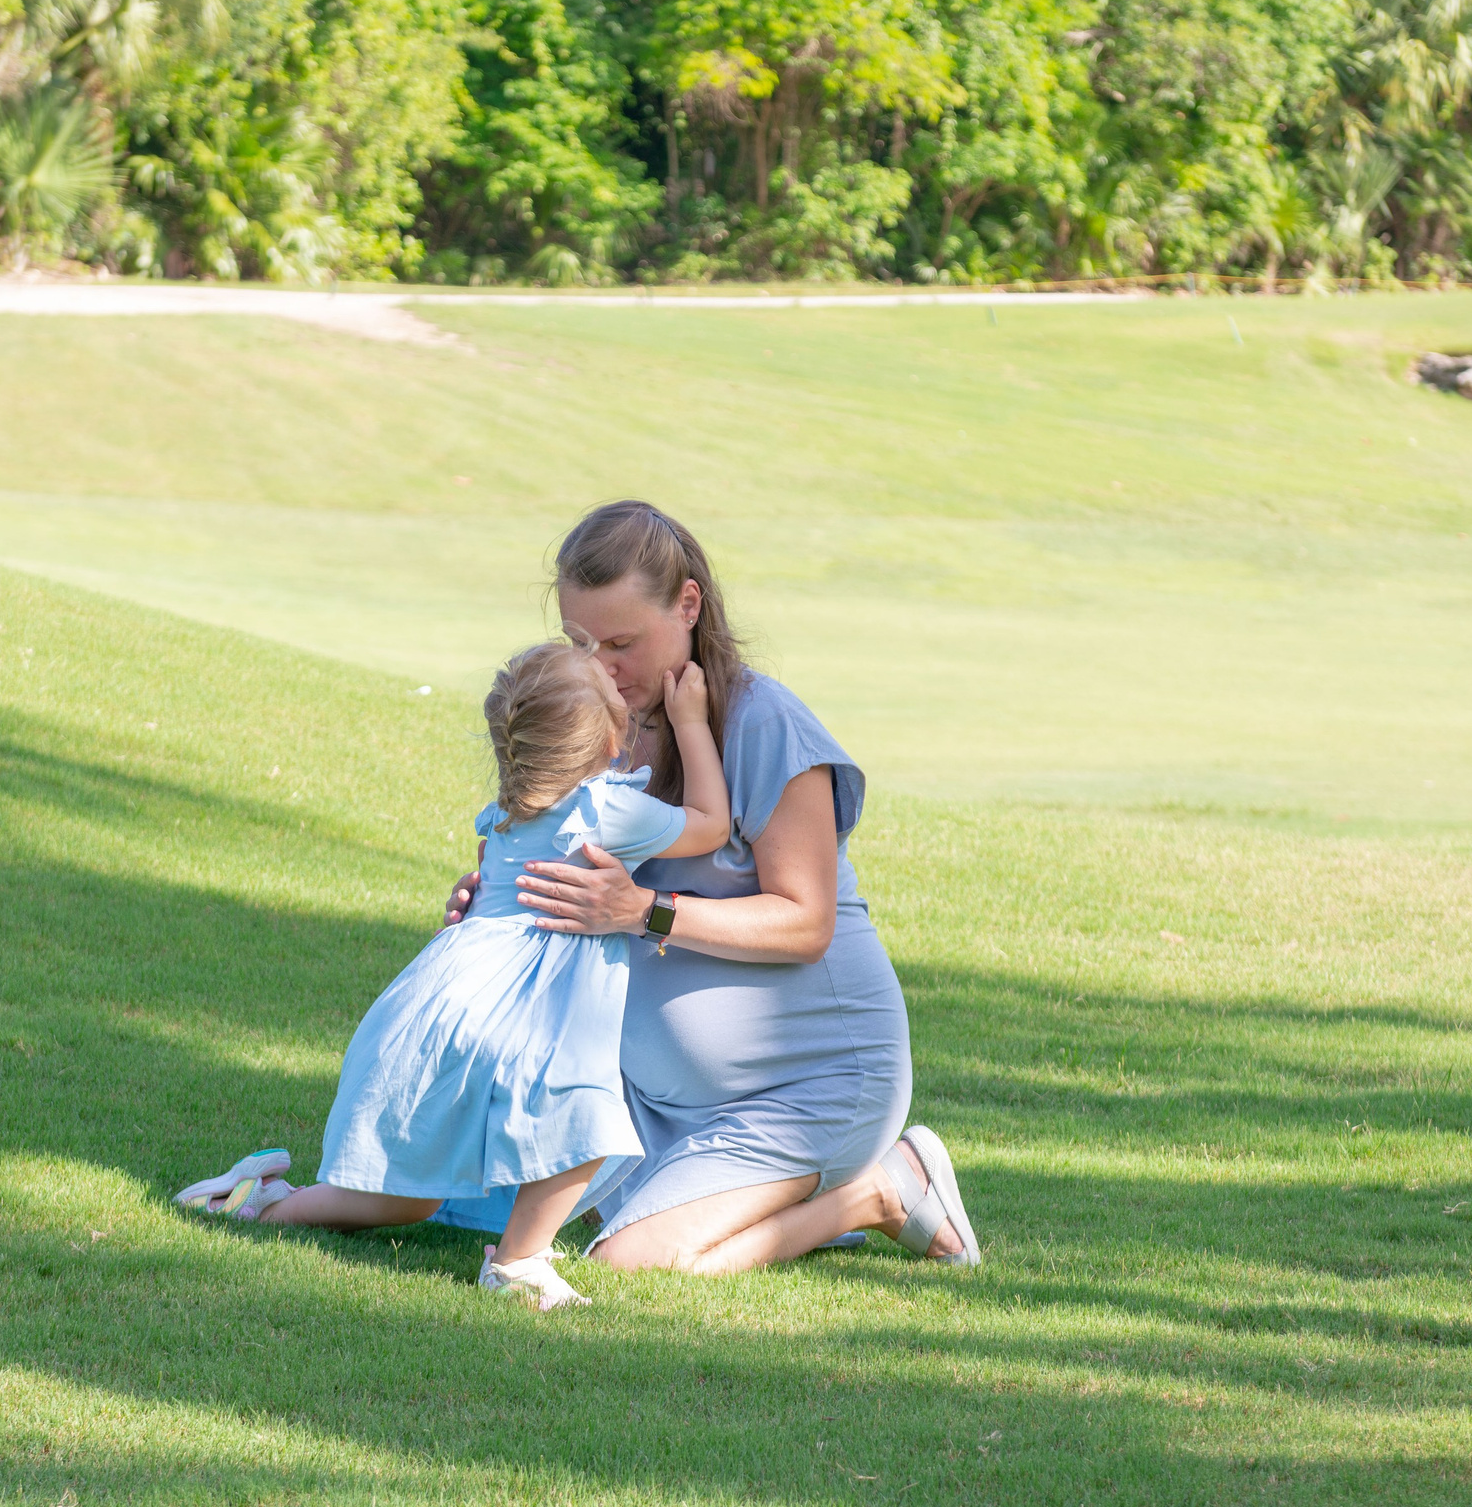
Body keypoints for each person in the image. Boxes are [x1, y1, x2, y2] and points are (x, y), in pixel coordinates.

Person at [439, 500, 978, 1275]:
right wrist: (497, 902)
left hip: (812, 1084)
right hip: (651, 1095)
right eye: (581, 642)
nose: (603, 667)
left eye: (623, 643)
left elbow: (805, 922)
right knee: (477, 1190)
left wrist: (645, 912)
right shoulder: (597, 728)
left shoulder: (763, 725)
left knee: (634, 1262)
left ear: (688, 606)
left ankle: (876, 1190)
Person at [175, 640, 733, 1309]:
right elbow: (709, 825)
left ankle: (259, 1203)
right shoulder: (606, 811)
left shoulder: (506, 813)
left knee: (407, 1198)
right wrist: (693, 723)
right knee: (586, 1120)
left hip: (447, 994)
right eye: (619, 705)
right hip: (528, 1005)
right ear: (612, 744)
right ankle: (518, 1261)